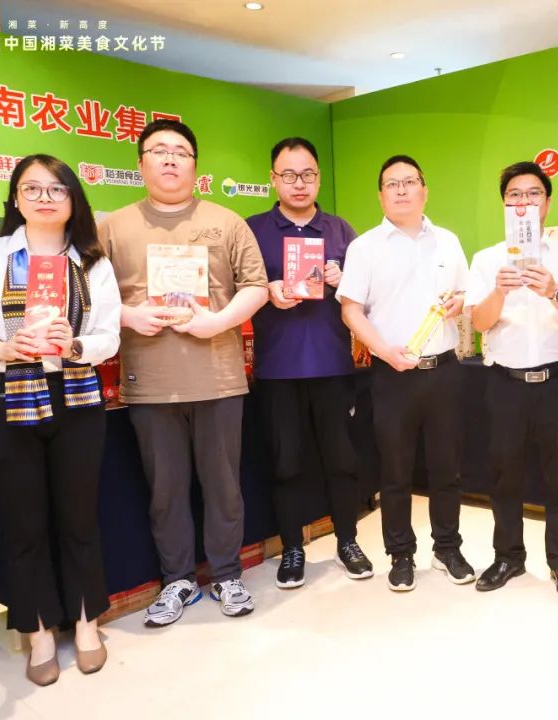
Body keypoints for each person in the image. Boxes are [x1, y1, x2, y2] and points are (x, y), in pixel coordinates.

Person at [0, 154, 121, 685]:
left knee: (79, 517)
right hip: (7, 394)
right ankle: (39, 631)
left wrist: (77, 345)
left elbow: (110, 335)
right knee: (22, 522)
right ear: (16, 198)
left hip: (76, 396)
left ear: (73, 200)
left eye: (57, 189)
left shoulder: (92, 261)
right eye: (32, 188)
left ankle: (87, 623)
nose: (45, 198)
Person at [98, 119, 269, 626]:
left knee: (223, 485)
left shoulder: (226, 221)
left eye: (181, 152)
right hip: (149, 382)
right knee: (165, 490)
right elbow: (90, 297)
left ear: (195, 165)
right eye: (159, 150)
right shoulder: (113, 227)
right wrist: (130, 316)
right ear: (141, 164)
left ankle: (227, 574)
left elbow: (256, 286)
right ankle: (177, 581)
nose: (170, 159)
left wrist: (217, 321)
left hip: (218, 377)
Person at [336, 155, 474, 592]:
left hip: (444, 370)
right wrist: (384, 351)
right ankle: (400, 554)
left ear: (424, 190)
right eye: (391, 183)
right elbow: (350, 311)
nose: (401, 190)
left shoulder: (448, 241)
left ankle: (447, 547)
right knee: (394, 472)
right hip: (391, 373)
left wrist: (460, 303)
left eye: (409, 181)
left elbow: (464, 295)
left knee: (447, 468)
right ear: (380, 195)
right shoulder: (365, 247)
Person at [246, 137, 373, 588]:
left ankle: (347, 541)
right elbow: (235, 288)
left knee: (342, 460)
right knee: (286, 464)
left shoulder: (341, 230)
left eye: (307, 175)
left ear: (318, 178)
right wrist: (266, 290)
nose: (299, 183)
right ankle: (292, 549)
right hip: (277, 368)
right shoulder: (253, 230)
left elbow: (366, 297)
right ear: (273, 179)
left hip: (333, 365)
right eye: (288, 175)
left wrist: (345, 279)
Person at [466, 161, 558, 600]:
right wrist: (499, 291)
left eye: (533, 193)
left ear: (547, 203)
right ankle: (508, 556)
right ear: (505, 204)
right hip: (504, 381)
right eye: (515, 195)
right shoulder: (487, 259)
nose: (524, 202)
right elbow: (479, 323)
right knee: (504, 475)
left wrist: (553, 290)